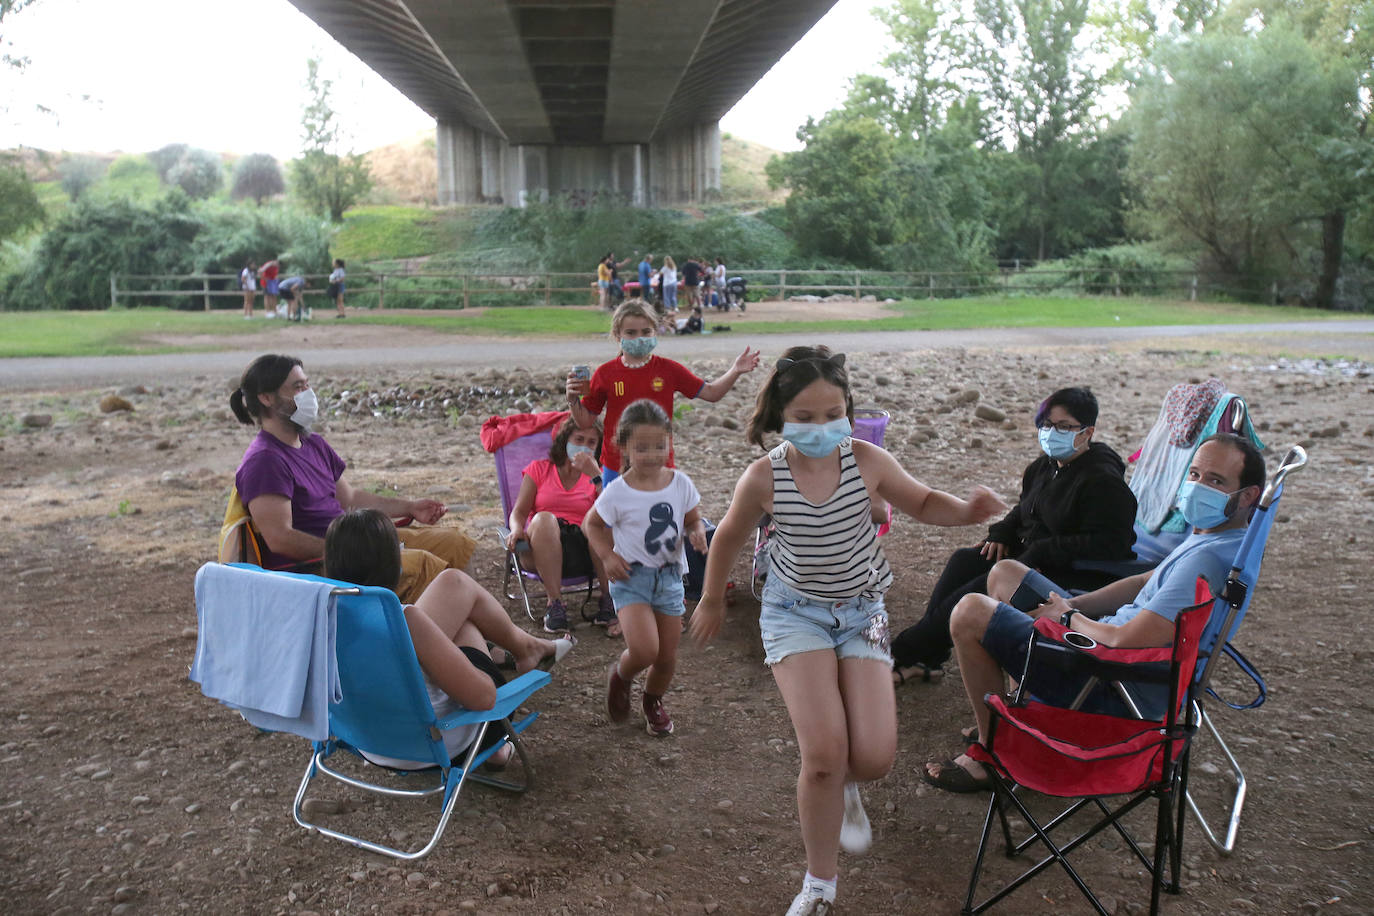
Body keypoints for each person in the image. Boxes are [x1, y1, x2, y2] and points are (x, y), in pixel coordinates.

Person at [688, 346, 1007, 916]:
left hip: (864, 612)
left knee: (876, 757)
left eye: (832, 413)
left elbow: (923, 501)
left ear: (849, 411)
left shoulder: (867, 460)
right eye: (804, 417)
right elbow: (730, 538)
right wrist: (712, 599)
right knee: (824, 755)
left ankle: (846, 788)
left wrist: (966, 510)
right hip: (794, 613)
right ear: (780, 416)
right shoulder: (763, 476)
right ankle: (819, 885)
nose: (820, 427)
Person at [922, 433, 1264, 794]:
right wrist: (1072, 605)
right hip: (1105, 651)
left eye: (1215, 481)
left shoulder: (1205, 560)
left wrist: (1067, 620)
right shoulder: (1222, 539)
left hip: (1112, 682)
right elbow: (1144, 582)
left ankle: (993, 756)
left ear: (1247, 496)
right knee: (1006, 573)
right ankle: (1017, 720)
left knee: (970, 612)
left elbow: (1125, 639)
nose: (1197, 487)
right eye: (1194, 474)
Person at [890, 387, 1137, 686]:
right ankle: (927, 658)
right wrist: (1002, 532)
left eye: (1063, 426)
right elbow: (1025, 509)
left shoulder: (1102, 481)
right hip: (1034, 558)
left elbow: (1113, 543)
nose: (1051, 432)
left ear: (1086, 432)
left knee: (977, 587)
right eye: (1046, 424)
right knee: (967, 560)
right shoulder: (1044, 467)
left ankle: (903, 652)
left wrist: (1044, 551)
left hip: (1077, 573)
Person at [323, 508, 573, 771]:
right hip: (432, 748)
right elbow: (484, 700)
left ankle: (527, 650)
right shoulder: (405, 622)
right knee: (464, 627)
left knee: (453, 585)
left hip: (369, 743)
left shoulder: (321, 619)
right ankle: (495, 742)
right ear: (394, 564)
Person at [230, 353, 478, 604]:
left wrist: (410, 506)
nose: (308, 393)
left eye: (307, 384)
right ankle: (437, 636)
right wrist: (346, 554)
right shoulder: (264, 461)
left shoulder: (312, 443)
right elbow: (280, 538)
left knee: (454, 545)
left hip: (354, 543)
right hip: (320, 568)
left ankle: (472, 638)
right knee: (425, 567)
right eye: (297, 387)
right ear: (266, 398)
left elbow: (350, 499)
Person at [584, 400, 708, 737]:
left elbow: (692, 518)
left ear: (669, 442)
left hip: (669, 577)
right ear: (623, 447)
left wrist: (696, 532)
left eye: (659, 446)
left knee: (666, 657)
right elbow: (591, 525)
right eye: (641, 448)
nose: (652, 454)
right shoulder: (617, 492)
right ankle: (621, 676)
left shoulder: (680, 482)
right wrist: (608, 556)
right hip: (631, 578)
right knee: (644, 650)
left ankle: (652, 700)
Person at [564, 298, 760, 486]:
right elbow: (585, 421)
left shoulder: (669, 369)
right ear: (618, 335)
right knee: (617, 520)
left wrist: (735, 370)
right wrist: (573, 399)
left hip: (660, 463)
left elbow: (711, 393)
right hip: (616, 465)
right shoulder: (605, 373)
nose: (639, 338)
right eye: (631, 333)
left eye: (646, 332)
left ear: (655, 332)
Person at [505, 416, 617, 634]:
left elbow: (615, 512)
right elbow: (518, 512)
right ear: (565, 439)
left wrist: (595, 475)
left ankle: (609, 599)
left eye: (591, 442)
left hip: (588, 550)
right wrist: (517, 529)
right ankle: (554, 604)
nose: (584, 446)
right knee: (545, 519)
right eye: (579, 439)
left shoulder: (600, 476)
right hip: (541, 548)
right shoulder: (539, 469)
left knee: (600, 519)